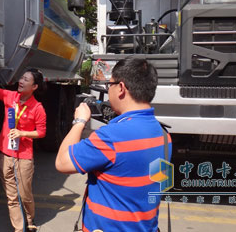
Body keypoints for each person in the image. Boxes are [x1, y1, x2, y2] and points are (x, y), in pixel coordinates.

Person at [55, 58, 171, 232]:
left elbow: (62, 162)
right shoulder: (164, 136)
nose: (108, 91)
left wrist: (79, 121)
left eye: (110, 85)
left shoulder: (111, 137)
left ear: (121, 88)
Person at [0, 55, 46, 232]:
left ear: (34, 87)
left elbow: (41, 132)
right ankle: (19, 228)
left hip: (24, 157)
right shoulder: (10, 97)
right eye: (21, 78)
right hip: (5, 154)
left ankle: (29, 218)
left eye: (26, 80)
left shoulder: (38, 108)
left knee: (25, 194)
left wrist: (22, 133)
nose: (21, 81)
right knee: (12, 196)